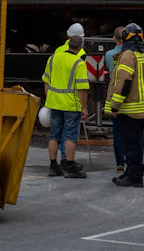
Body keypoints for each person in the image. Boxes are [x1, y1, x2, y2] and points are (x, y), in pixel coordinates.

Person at [108, 23, 144, 188]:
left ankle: (134, 176)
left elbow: (124, 82)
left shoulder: (128, 56)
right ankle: (132, 172)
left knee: (130, 143)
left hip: (129, 108)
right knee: (136, 142)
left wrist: (115, 105)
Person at [42, 24, 90, 178]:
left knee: (54, 135)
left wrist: (49, 99)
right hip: (71, 104)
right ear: (81, 46)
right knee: (70, 135)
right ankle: (69, 166)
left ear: (68, 43)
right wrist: (84, 108)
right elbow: (82, 88)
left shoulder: (53, 57)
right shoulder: (79, 63)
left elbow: (46, 81)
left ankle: (52, 166)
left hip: (54, 103)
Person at [104, 26, 126, 174]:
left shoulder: (109, 54)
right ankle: (132, 160)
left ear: (114, 38)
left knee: (117, 130)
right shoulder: (133, 54)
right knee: (132, 130)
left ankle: (120, 162)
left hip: (114, 92)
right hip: (129, 95)